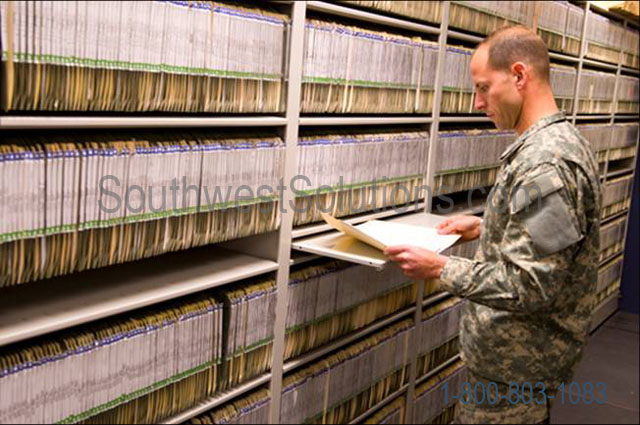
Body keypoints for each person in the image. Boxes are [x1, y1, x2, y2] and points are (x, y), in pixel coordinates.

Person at [384, 26, 602, 424]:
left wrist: (440, 269)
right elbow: (557, 240)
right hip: (521, 369)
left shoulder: (543, 163)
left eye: (484, 88)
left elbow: (532, 285)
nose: (477, 102)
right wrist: (488, 225)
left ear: (519, 75)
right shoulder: (561, 142)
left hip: (514, 375)